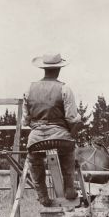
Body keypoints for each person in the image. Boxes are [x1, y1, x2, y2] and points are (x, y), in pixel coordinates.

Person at [23, 53, 81, 207]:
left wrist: (39, 126)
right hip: (60, 136)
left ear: (43, 68)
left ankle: (42, 195)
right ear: (59, 69)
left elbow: (25, 120)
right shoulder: (65, 89)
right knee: (68, 152)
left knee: (34, 160)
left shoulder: (29, 89)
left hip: (36, 139)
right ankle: (69, 187)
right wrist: (70, 130)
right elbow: (72, 118)